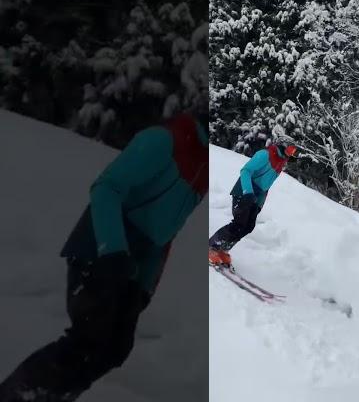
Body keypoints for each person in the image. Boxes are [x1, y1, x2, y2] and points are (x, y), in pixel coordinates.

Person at [0, 109, 208, 402]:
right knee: (88, 341)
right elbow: (106, 188)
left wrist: (145, 285)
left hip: (133, 266)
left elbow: (166, 233)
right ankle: (17, 395)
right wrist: (111, 251)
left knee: (114, 349)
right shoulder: (165, 141)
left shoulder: (204, 167)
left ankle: (47, 395)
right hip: (99, 247)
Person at [208, 136, 299, 267]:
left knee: (248, 226)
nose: (291, 153)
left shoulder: (280, 163)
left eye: (293, 151)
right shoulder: (265, 155)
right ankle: (211, 246)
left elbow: (266, 186)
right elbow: (246, 171)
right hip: (244, 191)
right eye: (291, 149)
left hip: (256, 197)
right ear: (283, 146)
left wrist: (259, 204)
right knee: (239, 223)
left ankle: (222, 249)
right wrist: (247, 192)